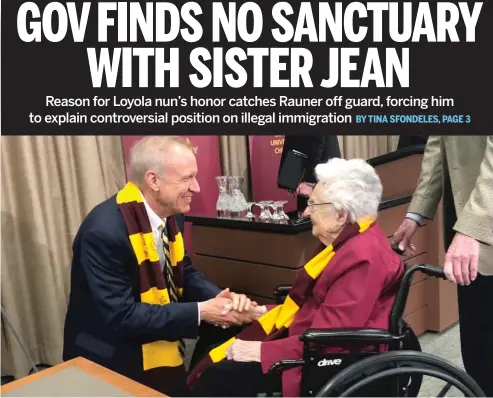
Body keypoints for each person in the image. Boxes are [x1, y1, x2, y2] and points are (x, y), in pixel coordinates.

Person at [188, 158, 405, 397]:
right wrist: (260, 312)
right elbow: (314, 309)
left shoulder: (363, 258)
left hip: (328, 358)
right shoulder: (346, 243)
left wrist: (261, 351)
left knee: (220, 375)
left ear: (341, 214)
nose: (307, 211)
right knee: (216, 329)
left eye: (313, 204)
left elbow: (329, 338)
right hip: (312, 337)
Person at [63, 136, 256, 396]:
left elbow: (184, 272)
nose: (197, 187)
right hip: (109, 356)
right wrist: (203, 312)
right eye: (186, 178)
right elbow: (123, 316)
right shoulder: (104, 232)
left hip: (151, 339)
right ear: (154, 180)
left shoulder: (171, 213)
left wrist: (221, 299)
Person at [391, 136, 493, 397]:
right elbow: (439, 147)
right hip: (472, 234)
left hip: (480, 225)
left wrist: (472, 229)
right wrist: (415, 213)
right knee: (478, 344)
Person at [278, 135, 341, 212]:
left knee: (317, 217)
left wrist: (308, 181)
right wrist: (291, 178)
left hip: (317, 177)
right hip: (316, 174)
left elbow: (315, 144)